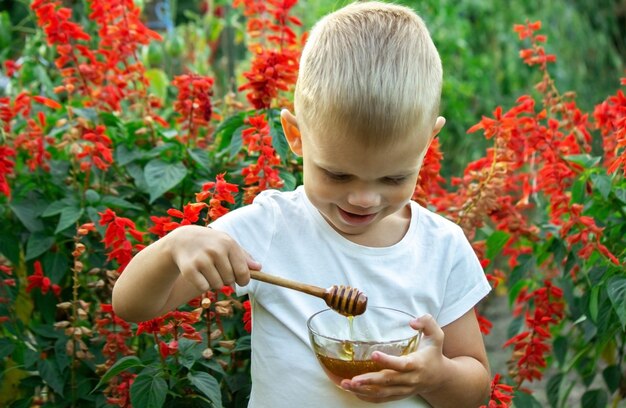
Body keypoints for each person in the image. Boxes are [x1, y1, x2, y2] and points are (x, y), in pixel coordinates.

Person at [112, 1, 492, 406]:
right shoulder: (271, 227)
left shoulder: (442, 247)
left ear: (428, 144)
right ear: (295, 135)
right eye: (338, 175)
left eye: (393, 178)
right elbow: (131, 306)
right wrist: (175, 246)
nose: (363, 198)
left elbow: (475, 389)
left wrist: (436, 376)